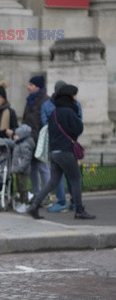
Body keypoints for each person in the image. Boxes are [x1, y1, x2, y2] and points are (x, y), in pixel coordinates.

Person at [28, 84, 95, 220]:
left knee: (53, 181)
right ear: (69, 97)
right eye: (73, 96)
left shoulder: (54, 112)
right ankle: (79, 210)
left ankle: (34, 206)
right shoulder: (70, 112)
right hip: (66, 151)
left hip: (54, 152)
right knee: (76, 179)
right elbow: (78, 129)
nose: (75, 98)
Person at [41, 79, 83, 213]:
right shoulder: (71, 106)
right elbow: (78, 125)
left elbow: (46, 124)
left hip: (54, 146)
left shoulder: (50, 107)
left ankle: (36, 205)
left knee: (55, 180)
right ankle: (77, 206)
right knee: (74, 177)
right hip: (67, 147)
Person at [22, 75, 50, 200]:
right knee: (33, 168)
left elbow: (45, 122)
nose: (28, 87)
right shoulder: (29, 100)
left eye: (31, 85)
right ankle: (37, 193)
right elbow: (25, 119)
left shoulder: (45, 100)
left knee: (43, 167)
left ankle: (47, 194)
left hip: (41, 139)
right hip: (30, 139)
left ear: (38, 87)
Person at [8, 124, 35, 213]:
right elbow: (11, 143)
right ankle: (23, 201)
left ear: (22, 136)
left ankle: (26, 203)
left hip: (22, 170)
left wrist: (19, 168)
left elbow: (26, 159)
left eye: (16, 135)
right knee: (19, 187)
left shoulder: (24, 145)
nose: (14, 137)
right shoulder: (18, 144)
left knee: (23, 188)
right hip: (18, 170)